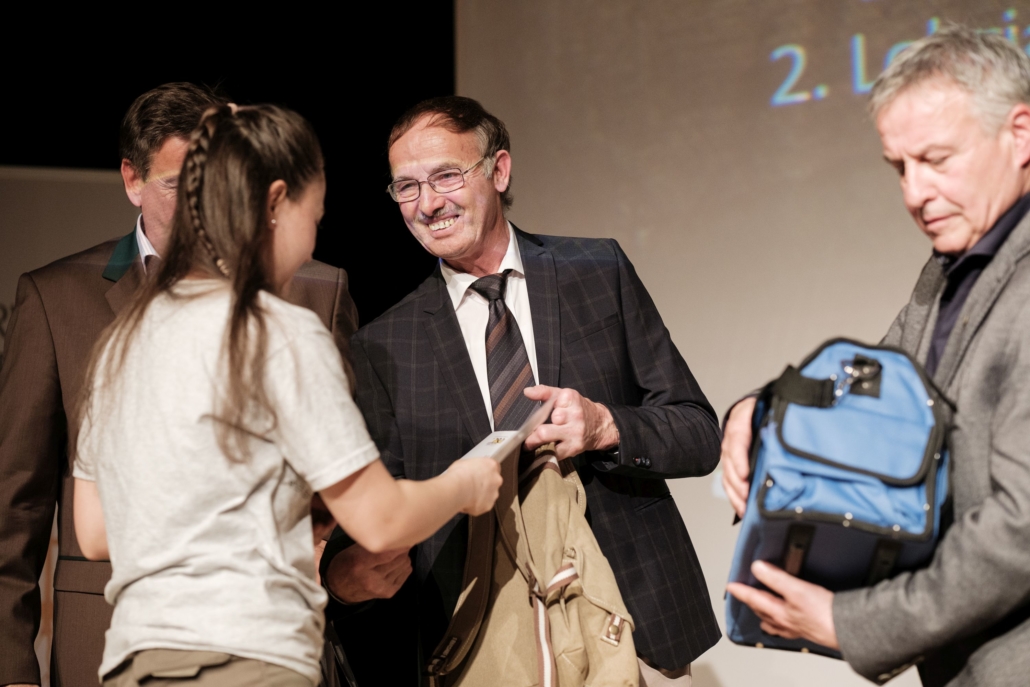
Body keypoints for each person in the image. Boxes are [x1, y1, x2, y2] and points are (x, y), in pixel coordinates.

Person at [71, 102, 503, 687]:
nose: (310, 244)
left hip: (136, 663)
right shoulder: (279, 332)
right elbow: (381, 521)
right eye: (313, 216)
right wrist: (465, 485)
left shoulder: (122, 342)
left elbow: (95, 531)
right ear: (276, 202)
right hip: (249, 660)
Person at [321, 95, 722, 686]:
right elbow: (371, 514)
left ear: (499, 170)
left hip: (632, 626)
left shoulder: (595, 271)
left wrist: (605, 426)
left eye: (446, 176)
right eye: (406, 187)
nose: (428, 204)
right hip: (484, 648)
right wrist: (343, 578)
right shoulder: (385, 344)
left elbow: (698, 431)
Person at [0, 83, 360, 687]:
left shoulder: (316, 291)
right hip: (109, 645)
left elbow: (348, 474)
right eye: (178, 184)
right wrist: (12, 671)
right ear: (132, 180)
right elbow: (17, 507)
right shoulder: (55, 299)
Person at [723, 27, 1030, 687]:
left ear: (1021, 133)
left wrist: (850, 621)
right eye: (900, 167)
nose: (914, 193)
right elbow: (873, 400)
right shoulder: (948, 268)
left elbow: (1022, 529)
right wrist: (758, 411)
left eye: (936, 159)